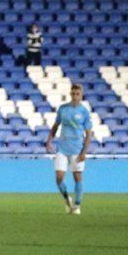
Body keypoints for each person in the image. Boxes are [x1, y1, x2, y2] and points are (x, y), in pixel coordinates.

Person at [46, 84, 92, 214]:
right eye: (73, 93)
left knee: (77, 177)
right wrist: (49, 140)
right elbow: (56, 126)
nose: (75, 96)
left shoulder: (84, 112)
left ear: (81, 95)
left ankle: (77, 205)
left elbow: (89, 134)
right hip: (62, 148)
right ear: (70, 94)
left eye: (78, 94)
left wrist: (84, 152)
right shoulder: (63, 109)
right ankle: (67, 199)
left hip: (77, 149)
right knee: (59, 177)